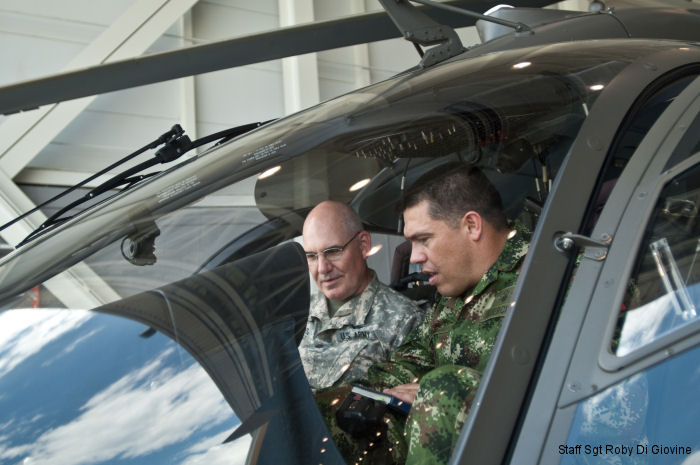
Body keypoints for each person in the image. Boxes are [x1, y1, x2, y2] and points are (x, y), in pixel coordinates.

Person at [315, 163, 531, 465]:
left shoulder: (554, 279)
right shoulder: (452, 297)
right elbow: (409, 363)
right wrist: (342, 397)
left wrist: (444, 398)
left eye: (423, 239)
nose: (414, 257)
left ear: (472, 226)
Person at [298, 200, 424, 391]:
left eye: (332, 252)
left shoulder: (404, 320)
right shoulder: (297, 314)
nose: (322, 268)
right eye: (312, 257)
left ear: (363, 245)